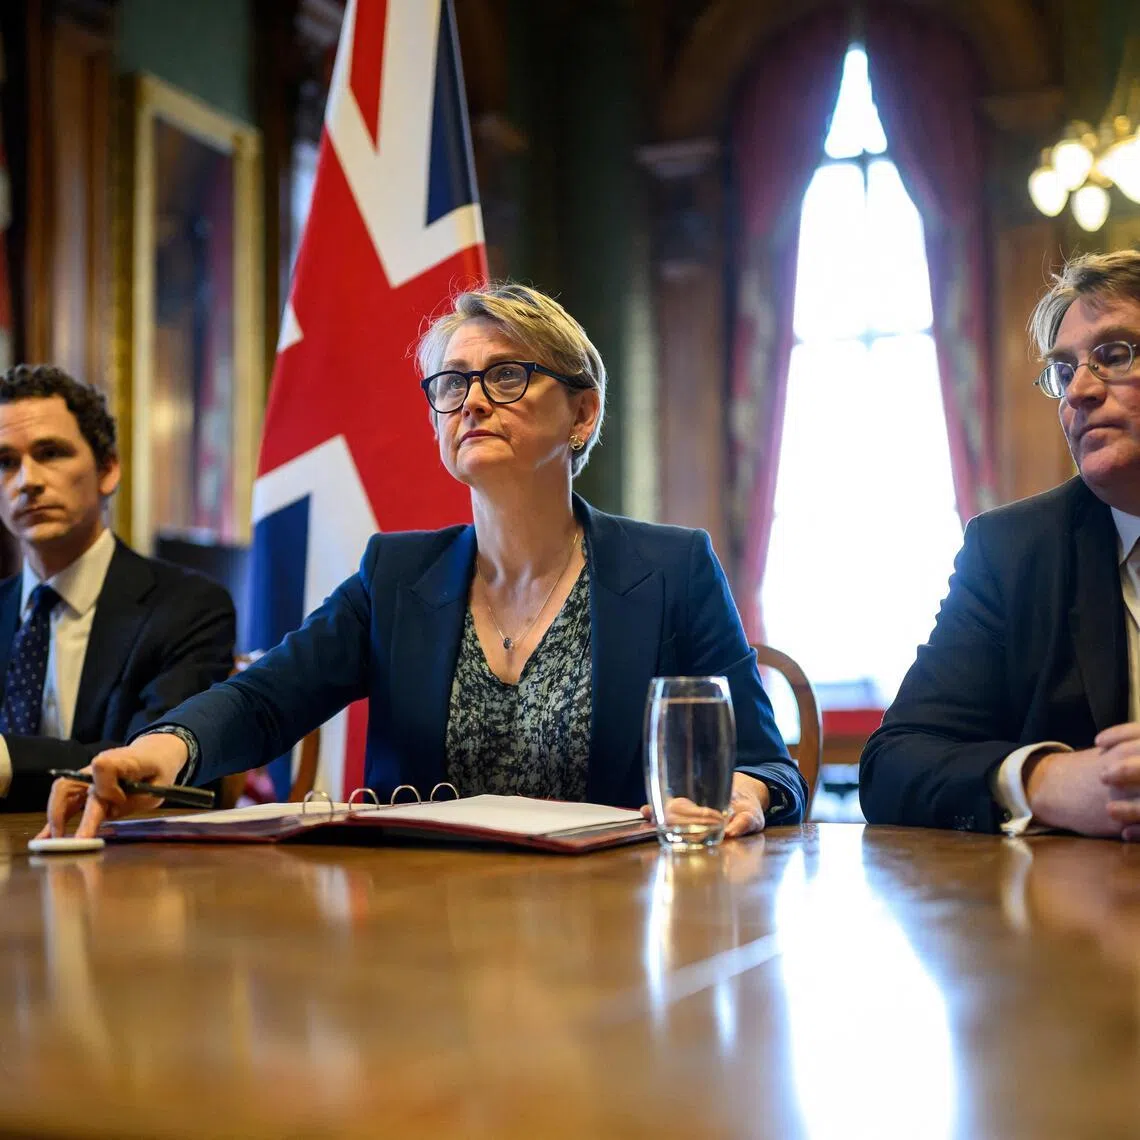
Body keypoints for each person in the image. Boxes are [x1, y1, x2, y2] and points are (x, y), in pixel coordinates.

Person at [42, 283, 806, 838]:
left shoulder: (673, 569)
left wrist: (745, 792)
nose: (471, 401)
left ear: (583, 412)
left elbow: (766, 766)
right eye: (450, 383)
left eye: (507, 375)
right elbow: (264, 698)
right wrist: (160, 750)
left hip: (614, 928)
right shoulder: (396, 577)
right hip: (419, 932)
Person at [860, 250, 1140, 840]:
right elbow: (896, 761)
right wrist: (1043, 780)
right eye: (1064, 371)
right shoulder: (1013, 550)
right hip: (1079, 915)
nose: (1079, 392)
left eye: (1113, 356)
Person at [0, 364, 235, 810]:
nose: (26, 481)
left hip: (131, 864)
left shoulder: (190, 606)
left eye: (50, 453)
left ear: (107, 470)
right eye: (5, 462)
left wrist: (9, 760)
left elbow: (158, 768)